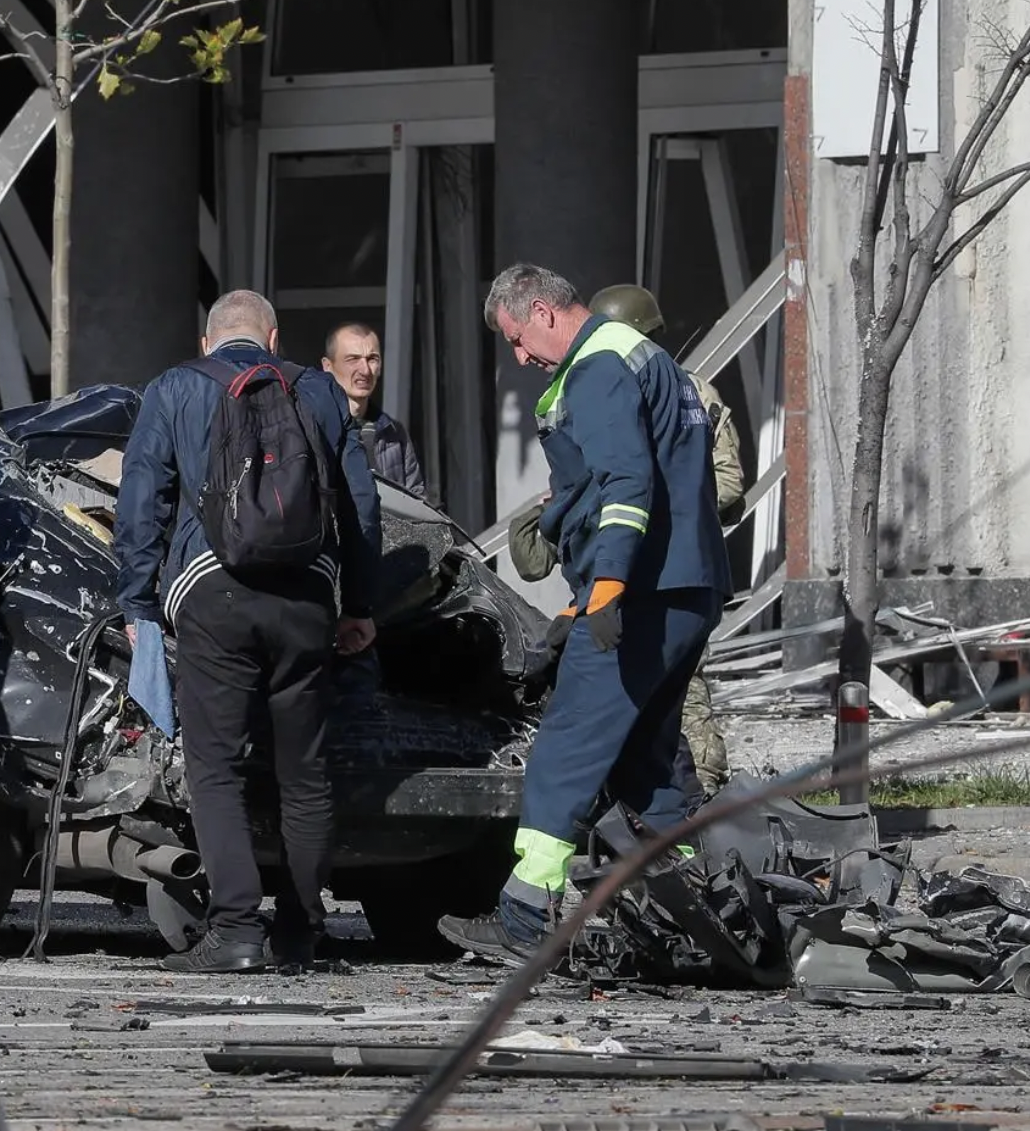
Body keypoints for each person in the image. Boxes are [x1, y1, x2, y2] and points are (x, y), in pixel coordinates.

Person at [439, 264, 730, 964]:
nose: (519, 358)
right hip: (687, 586)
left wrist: (604, 590)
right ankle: (696, 908)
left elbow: (626, 483)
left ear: (543, 311)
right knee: (647, 756)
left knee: (569, 742)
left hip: (640, 593)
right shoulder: (647, 360)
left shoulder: (598, 365)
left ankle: (525, 912)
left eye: (516, 338)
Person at [114, 290, 384, 975]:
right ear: (273, 337)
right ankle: (300, 932)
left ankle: (235, 929)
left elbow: (143, 500)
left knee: (216, 767)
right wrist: (359, 603)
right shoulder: (318, 391)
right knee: (305, 772)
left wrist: (138, 600)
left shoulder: (174, 388)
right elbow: (360, 503)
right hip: (307, 595)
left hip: (212, 592)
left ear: (208, 342)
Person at [588, 284, 746, 794]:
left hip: (676, 566)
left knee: (683, 688)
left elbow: (729, 483)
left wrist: (665, 504)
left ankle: (700, 792)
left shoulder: (691, 392)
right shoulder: (600, 392)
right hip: (621, 567)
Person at [320, 322, 430, 500]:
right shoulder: (314, 430)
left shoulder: (393, 433)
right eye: (353, 359)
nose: (365, 370)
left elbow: (416, 500)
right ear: (328, 367)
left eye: (372, 359)